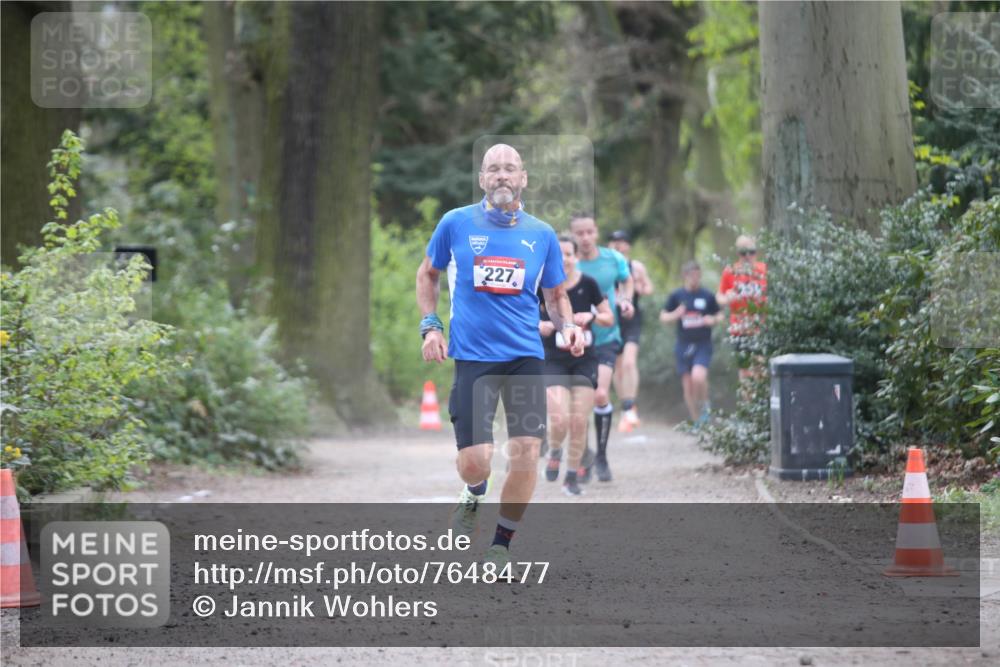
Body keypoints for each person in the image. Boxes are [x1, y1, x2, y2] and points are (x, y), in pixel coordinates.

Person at [416, 144, 583, 568]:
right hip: (473, 356)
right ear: (482, 179)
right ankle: (473, 493)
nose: (502, 176)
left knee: (527, 450)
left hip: (525, 356)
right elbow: (428, 274)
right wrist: (431, 326)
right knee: (476, 463)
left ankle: (500, 546)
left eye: (510, 169)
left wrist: (568, 328)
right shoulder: (455, 223)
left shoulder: (541, 234)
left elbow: (556, 295)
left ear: (524, 178)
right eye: (494, 169)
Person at [538, 234, 614, 496]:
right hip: (554, 361)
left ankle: (571, 477)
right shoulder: (542, 285)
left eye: (568, 254)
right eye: (559, 255)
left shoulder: (589, 284)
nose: (564, 260)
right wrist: (542, 326)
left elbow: (608, 318)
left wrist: (591, 315)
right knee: (559, 420)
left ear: (575, 257)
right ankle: (555, 450)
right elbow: (523, 318)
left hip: (585, 359)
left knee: (579, 421)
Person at [570, 214, 634, 482]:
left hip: (607, 335)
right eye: (579, 233)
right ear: (573, 236)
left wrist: (626, 300)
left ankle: (602, 457)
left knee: (599, 395)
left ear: (596, 233)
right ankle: (583, 455)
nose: (585, 238)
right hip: (576, 341)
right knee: (579, 404)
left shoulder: (612, 259)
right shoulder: (566, 262)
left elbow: (626, 279)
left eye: (589, 232)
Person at [660, 261, 722, 428]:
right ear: (685, 276)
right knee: (688, 385)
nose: (695, 278)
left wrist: (713, 319)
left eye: (697, 275)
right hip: (683, 344)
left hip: (703, 343)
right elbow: (663, 317)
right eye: (691, 275)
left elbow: (720, 315)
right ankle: (697, 421)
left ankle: (704, 407)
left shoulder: (707, 295)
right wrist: (675, 314)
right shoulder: (677, 296)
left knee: (699, 377)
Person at [608, 229, 655, 432]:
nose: (618, 245)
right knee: (617, 368)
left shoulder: (636, 267)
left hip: (632, 318)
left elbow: (648, 288)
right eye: (614, 241)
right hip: (612, 319)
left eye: (622, 241)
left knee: (628, 362)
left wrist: (636, 287)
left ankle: (631, 404)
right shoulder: (606, 267)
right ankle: (625, 407)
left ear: (628, 245)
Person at [715, 235, 767, 385]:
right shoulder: (730, 271)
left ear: (756, 251)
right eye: (743, 253)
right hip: (739, 330)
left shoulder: (764, 270)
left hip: (761, 328)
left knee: (760, 368)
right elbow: (719, 295)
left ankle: (760, 404)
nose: (748, 257)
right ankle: (748, 405)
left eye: (751, 252)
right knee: (745, 372)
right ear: (738, 253)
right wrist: (726, 299)